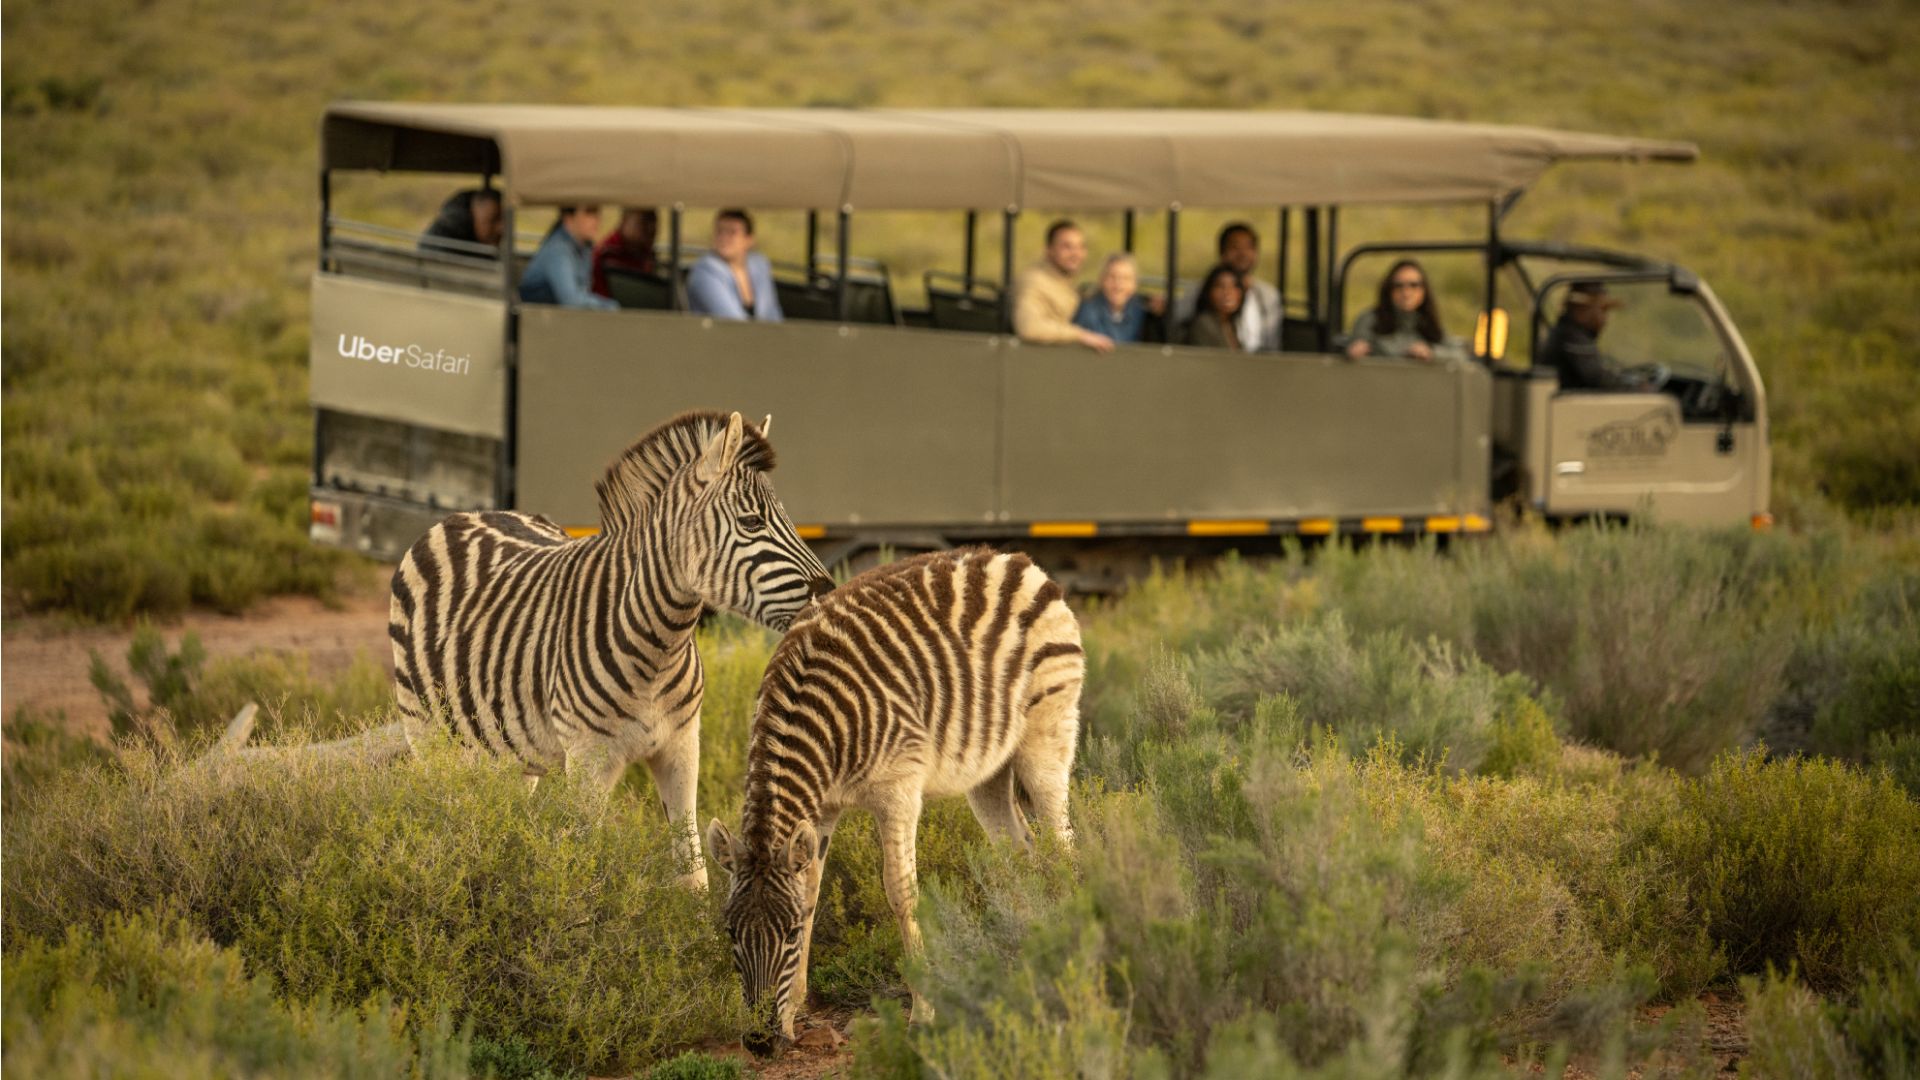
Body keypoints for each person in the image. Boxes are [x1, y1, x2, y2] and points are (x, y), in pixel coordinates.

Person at [1013, 220, 1113, 353]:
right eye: (1067, 247)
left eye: (1081, 247)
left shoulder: (1065, 284)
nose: (1076, 254)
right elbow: (1029, 328)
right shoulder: (1035, 282)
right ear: (1049, 251)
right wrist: (1080, 335)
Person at [1342, 259, 1462, 363]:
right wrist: (1355, 351)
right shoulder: (1371, 320)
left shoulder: (1429, 322)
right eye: (1398, 286)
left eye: (1414, 285)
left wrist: (1431, 353)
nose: (1406, 293)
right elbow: (1350, 348)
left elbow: (1459, 355)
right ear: (1389, 290)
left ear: (1424, 291)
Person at [1540, 282, 1643, 390]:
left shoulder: (1571, 333)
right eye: (1603, 310)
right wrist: (1637, 388)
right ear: (1580, 309)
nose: (1605, 319)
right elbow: (1598, 378)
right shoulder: (1571, 337)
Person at [686, 209, 783, 322]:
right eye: (719, 231)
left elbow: (772, 314)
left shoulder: (759, 265)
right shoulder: (704, 272)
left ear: (749, 240)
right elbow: (731, 321)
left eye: (732, 232)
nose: (724, 237)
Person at [519, 205, 619, 310]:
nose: (597, 219)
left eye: (597, 213)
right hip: (537, 317)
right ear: (569, 219)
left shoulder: (584, 248)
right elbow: (571, 301)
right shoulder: (558, 249)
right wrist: (610, 306)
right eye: (589, 212)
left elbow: (583, 292)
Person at [1072, 253, 1154, 344]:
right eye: (1112, 277)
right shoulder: (1087, 311)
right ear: (1102, 280)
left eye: (1126, 279)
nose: (1118, 285)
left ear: (1134, 284)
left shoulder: (1141, 310)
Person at [592, 207, 659, 298]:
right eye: (643, 222)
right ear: (625, 221)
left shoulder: (644, 252)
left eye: (654, 222)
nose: (651, 229)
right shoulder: (608, 253)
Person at [419, 188, 503, 256]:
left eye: (504, 220)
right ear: (473, 214)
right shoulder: (444, 244)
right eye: (493, 219)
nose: (501, 228)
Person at [1182, 264, 1245, 349]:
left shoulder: (1232, 325)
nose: (1228, 292)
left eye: (1234, 286)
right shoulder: (1204, 325)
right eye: (1220, 286)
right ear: (1209, 292)